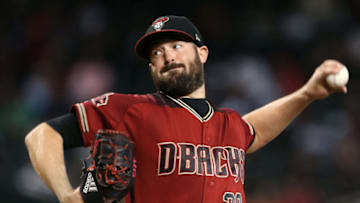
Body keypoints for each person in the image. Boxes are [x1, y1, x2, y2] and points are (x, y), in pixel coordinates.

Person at [25, 15, 348, 203]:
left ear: (203, 54)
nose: (167, 56)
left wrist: (307, 94)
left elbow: (255, 130)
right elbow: (42, 135)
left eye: (177, 46)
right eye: (157, 53)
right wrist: (67, 195)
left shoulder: (228, 124)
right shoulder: (130, 109)